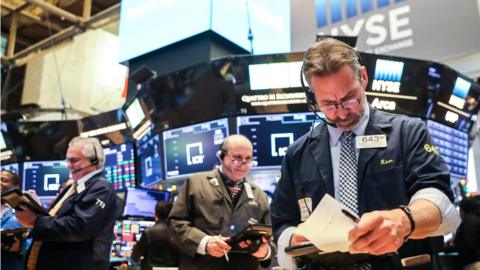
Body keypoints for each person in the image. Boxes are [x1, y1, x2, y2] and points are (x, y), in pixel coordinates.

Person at [270, 38, 461, 270]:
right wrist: (292, 237)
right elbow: (282, 221)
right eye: (328, 104)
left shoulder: (408, 133)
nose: (341, 112)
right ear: (313, 99)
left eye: (350, 98)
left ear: (363, 77)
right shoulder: (297, 153)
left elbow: (436, 194)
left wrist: (403, 220)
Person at [15, 136, 123, 270]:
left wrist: (35, 221)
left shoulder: (101, 188)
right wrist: (37, 209)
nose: (68, 165)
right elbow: (58, 220)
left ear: (94, 160)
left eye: (74, 160)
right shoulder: (73, 187)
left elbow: (80, 227)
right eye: (67, 160)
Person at [168, 134, 274, 270]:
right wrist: (204, 243)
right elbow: (175, 224)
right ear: (221, 156)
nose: (243, 165)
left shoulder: (260, 195)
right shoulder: (195, 183)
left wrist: (265, 252)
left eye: (248, 159)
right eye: (237, 158)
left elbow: (271, 238)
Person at [131, 200, 179, 269]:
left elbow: (135, 257)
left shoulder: (148, 233)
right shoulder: (179, 232)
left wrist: (135, 246)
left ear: (155, 215)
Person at [1, 170, 32, 270]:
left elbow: (34, 241)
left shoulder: (25, 210)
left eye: (3, 180)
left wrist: (20, 249)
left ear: (16, 187)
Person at [453, 197, 480, 270]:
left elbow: (468, 243)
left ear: (463, 209)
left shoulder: (469, 220)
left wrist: (450, 248)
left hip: (474, 263)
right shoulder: (476, 218)